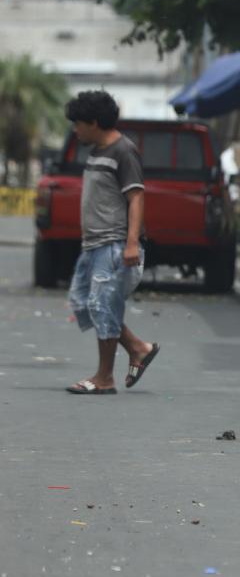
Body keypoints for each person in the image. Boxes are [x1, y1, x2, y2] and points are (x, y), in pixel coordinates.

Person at [64, 90, 159, 394]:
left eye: (78, 123)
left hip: (115, 244)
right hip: (93, 244)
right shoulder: (96, 150)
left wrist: (131, 243)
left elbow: (136, 197)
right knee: (84, 303)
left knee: (103, 305)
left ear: (94, 122)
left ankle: (104, 378)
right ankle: (137, 347)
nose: (75, 130)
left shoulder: (123, 150)